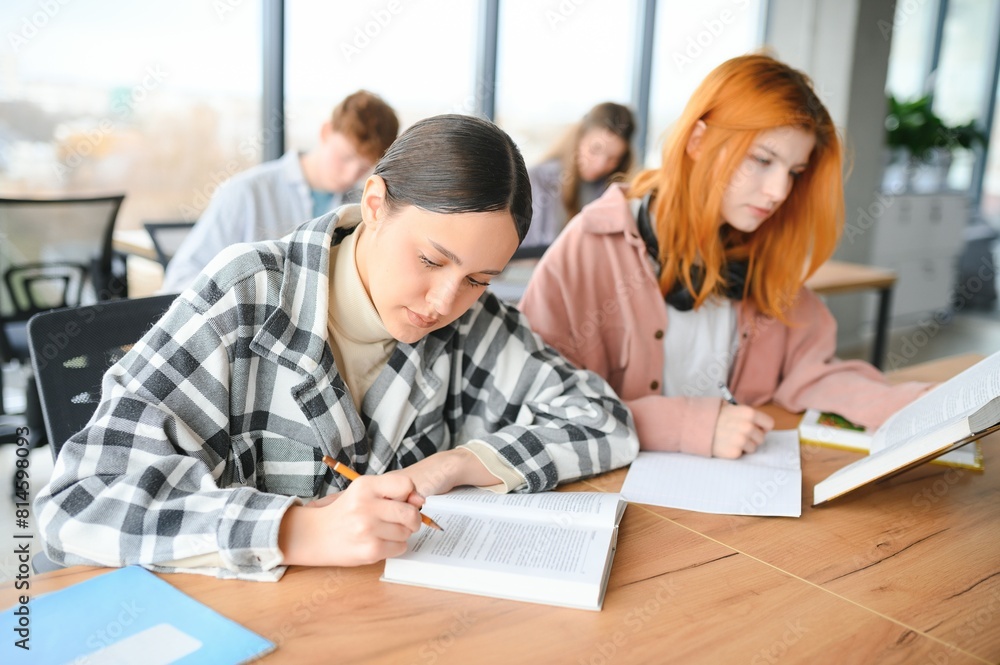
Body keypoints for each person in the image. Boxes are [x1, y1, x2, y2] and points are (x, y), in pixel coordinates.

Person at [35, 114, 639, 581]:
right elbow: (77, 506)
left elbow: (601, 418)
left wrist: (458, 464)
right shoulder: (248, 296)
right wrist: (298, 532)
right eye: (431, 259)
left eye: (479, 279)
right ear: (374, 205)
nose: (444, 301)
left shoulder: (469, 318)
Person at [519, 54, 931, 460]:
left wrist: (907, 404)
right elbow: (541, 403)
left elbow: (809, 369)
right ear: (698, 141)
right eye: (763, 160)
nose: (779, 191)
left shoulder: (762, 249)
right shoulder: (589, 246)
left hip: (739, 492)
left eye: (794, 171)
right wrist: (688, 426)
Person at [161, 90, 400, 293]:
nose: (350, 175)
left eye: (363, 168)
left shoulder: (363, 206)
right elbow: (180, 280)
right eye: (345, 157)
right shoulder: (247, 192)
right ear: (326, 132)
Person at [521, 102, 635, 249]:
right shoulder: (538, 179)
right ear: (578, 139)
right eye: (595, 149)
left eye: (613, 159)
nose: (600, 165)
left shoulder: (613, 191)